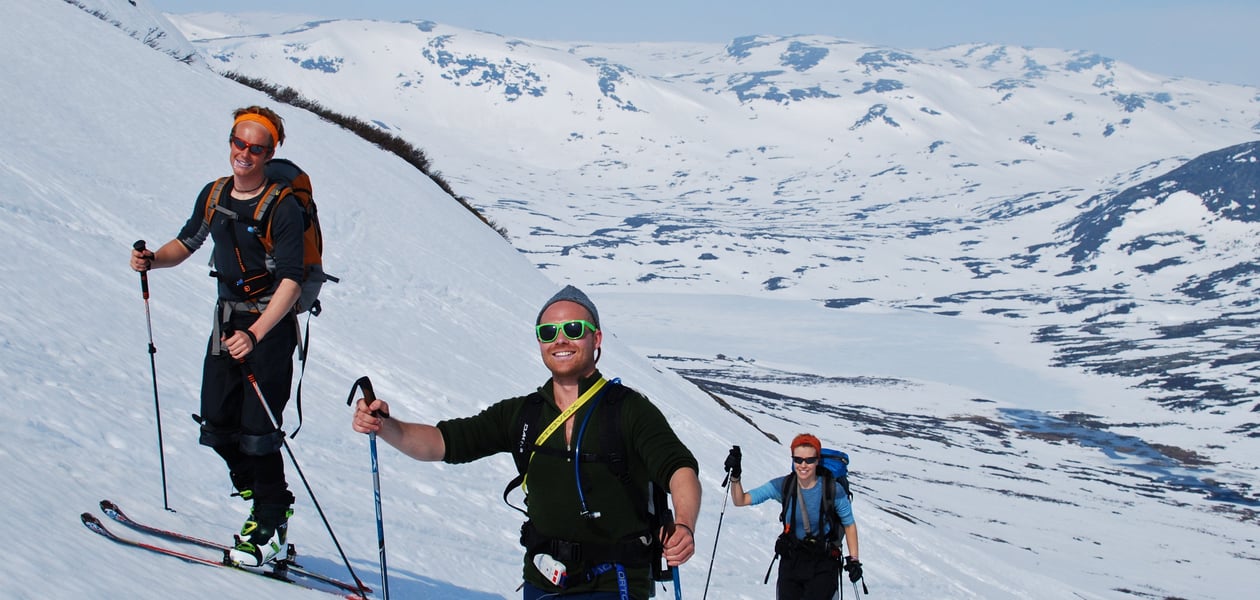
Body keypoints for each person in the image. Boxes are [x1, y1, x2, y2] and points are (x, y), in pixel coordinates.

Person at [351, 285, 702, 599]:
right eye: (549, 331)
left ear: (596, 340)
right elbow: (443, 442)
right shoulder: (523, 414)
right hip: (542, 580)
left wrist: (684, 524)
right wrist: (385, 426)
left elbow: (679, 469)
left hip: (615, 582)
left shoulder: (628, 410)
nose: (560, 339)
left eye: (573, 330)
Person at [129, 106, 302, 567]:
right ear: (230, 141)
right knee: (217, 423)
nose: (244, 154)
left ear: (270, 152)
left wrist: (257, 333)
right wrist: (153, 260)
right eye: (238, 143)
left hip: (269, 327)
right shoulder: (215, 193)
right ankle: (265, 499)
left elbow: (291, 280)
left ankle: (269, 522)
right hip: (226, 321)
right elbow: (189, 241)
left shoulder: (283, 206)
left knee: (259, 430)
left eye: (256, 148)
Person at [725, 435, 861, 600]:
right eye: (798, 459)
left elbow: (849, 524)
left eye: (809, 460)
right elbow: (741, 500)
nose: (803, 465)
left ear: (817, 460)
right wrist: (736, 475)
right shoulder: (784, 485)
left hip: (823, 563)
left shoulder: (833, 490)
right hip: (791, 559)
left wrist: (854, 560)